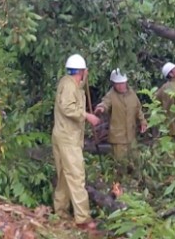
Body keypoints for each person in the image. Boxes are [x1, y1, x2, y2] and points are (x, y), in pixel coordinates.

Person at [52, 53, 102, 231]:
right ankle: (83, 218)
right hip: (67, 139)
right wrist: (87, 116)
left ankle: (60, 211)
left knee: (65, 175)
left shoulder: (72, 84)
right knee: (76, 175)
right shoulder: (69, 85)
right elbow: (67, 107)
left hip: (65, 136)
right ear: (81, 71)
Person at [94, 68, 148, 171]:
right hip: (118, 138)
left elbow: (138, 109)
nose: (120, 86)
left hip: (131, 135)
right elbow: (105, 103)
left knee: (135, 162)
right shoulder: (111, 95)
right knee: (120, 164)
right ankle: (120, 185)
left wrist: (142, 121)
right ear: (113, 84)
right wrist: (101, 108)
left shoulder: (131, 94)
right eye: (117, 84)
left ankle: (135, 183)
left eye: (122, 83)